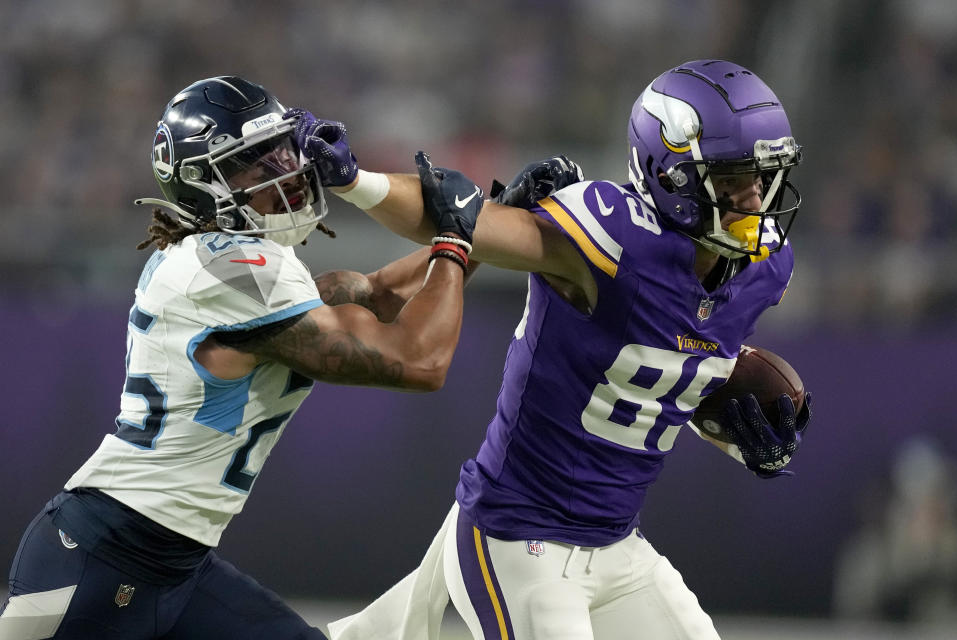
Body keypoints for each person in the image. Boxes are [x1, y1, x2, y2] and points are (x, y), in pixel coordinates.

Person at [292, 59, 814, 640]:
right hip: (521, 539)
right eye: (733, 178)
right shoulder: (617, 240)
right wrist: (351, 180)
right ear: (672, 175)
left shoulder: (765, 271)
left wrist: (741, 440)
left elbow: (672, 371)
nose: (753, 197)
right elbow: (459, 217)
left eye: (762, 178)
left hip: (618, 546)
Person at [0, 75, 486, 640]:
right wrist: (455, 242)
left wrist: (492, 216)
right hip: (103, 560)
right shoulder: (230, 271)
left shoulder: (229, 260)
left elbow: (379, 294)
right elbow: (420, 361)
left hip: (176, 565)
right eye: (257, 163)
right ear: (204, 185)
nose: (286, 171)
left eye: (281, 150)